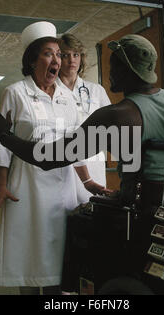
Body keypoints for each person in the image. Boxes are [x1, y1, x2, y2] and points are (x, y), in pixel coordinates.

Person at [0, 34, 164, 207]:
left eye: (114, 64)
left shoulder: (117, 115)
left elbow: (49, 158)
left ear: (127, 69)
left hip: (143, 205)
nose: (109, 72)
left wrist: (3, 135)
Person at [0, 21, 104, 295]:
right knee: (27, 260)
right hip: (25, 188)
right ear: (32, 60)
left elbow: (74, 145)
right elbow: (3, 145)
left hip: (60, 189)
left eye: (59, 54)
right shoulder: (15, 93)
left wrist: (86, 181)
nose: (58, 60)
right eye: (49, 54)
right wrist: (0, 186)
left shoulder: (66, 97)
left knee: (56, 262)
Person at [57, 34, 112, 204]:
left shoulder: (96, 91)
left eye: (76, 54)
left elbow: (111, 125)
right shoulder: (50, 90)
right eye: (65, 55)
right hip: (61, 164)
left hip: (93, 162)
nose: (71, 60)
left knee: (91, 213)